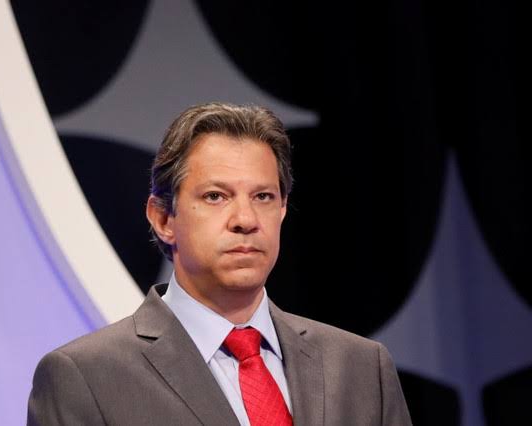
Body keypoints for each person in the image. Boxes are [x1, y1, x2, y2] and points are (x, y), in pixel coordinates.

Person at [27, 102, 412, 425]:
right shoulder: (85, 378)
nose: (245, 219)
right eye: (216, 196)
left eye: (263, 196)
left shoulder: (362, 370)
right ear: (163, 219)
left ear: (282, 210)